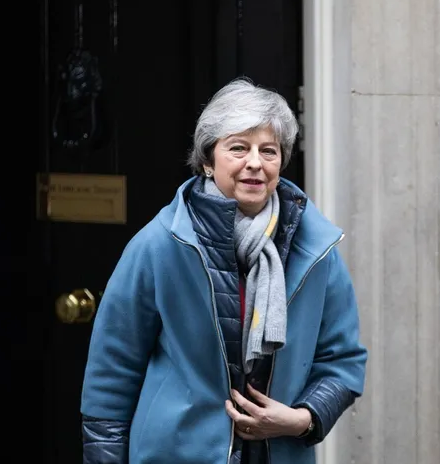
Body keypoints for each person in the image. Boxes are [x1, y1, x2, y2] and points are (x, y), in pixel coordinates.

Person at [80, 78, 368, 464]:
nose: (255, 163)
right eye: (238, 148)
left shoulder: (316, 249)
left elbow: (343, 360)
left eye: (269, 151)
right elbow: (111, 374)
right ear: (206, 160)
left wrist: (300, 419)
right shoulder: (160, 244)